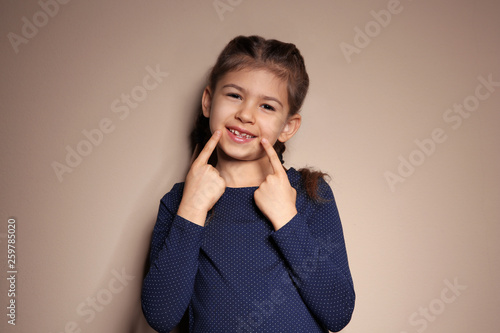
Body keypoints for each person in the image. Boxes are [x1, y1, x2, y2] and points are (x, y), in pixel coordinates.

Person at [141, 35, 355, 332]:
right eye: (234, 95)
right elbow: (161, 316)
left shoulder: (309, 195)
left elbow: (338, 311)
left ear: (288, 126)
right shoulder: (180, 201)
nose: (245, 114)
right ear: (207, 101)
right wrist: (192, 209)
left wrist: (286, 218)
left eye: (267, 106)